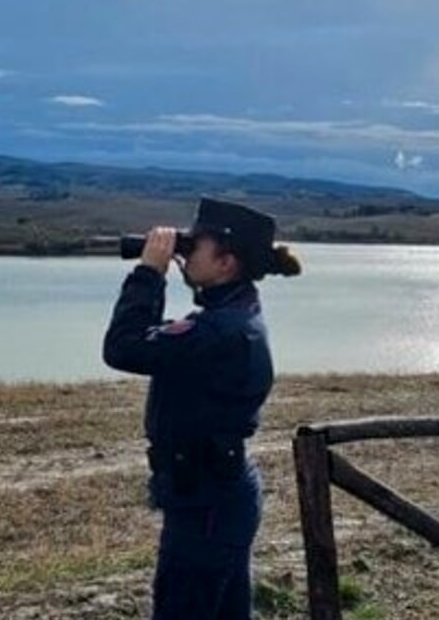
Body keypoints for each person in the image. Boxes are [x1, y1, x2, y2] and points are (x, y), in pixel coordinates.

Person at [102, 197, 301, 620]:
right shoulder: (233, 313)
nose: (185, 252)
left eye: (196, 245)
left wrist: (148, 273)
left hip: (206, 504)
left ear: (226, 263)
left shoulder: (218, 331)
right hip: (217, 493)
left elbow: (122, 348)